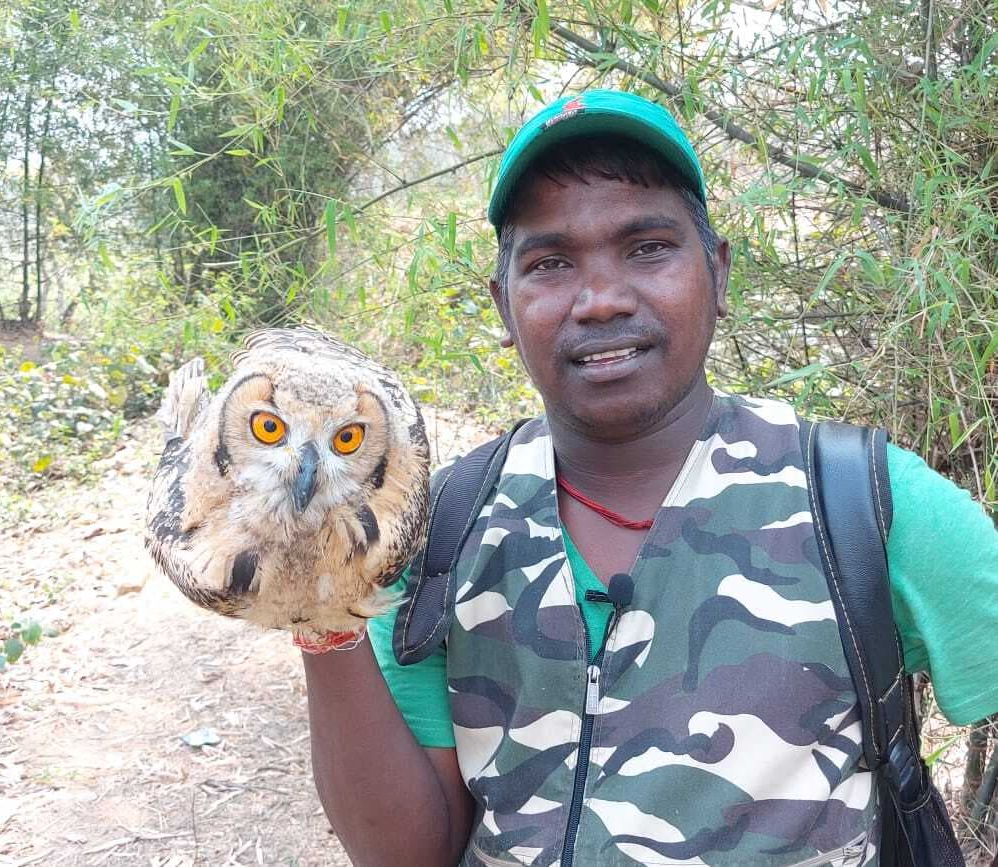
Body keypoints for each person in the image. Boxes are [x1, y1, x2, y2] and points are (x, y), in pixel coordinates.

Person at [299, 90, 998, 866]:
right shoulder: (444, 530)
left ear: (719, 273)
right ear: (504, 306)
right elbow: (406, 852)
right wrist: (321, 618)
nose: (600, 299)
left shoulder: (862, 504)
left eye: (647, 247)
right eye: (551, 262)